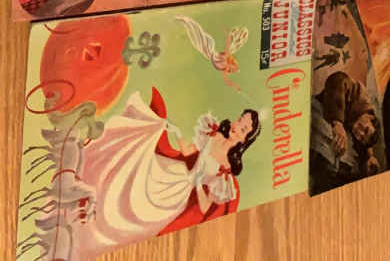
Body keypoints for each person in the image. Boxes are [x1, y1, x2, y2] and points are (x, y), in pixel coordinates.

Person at [72, 88, 260, 251]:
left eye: (243, 129)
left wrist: (197, 182)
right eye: (239, 121)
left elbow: (204, 207)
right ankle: (89, 192)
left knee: (138, 211)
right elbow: (188, 151)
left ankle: (97, 226)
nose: (237, 127)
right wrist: (176, 132)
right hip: (176, 171)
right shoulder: (215, 135)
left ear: (244, 140)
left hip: (181, 191)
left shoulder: (225, 172)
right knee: (135, 171)